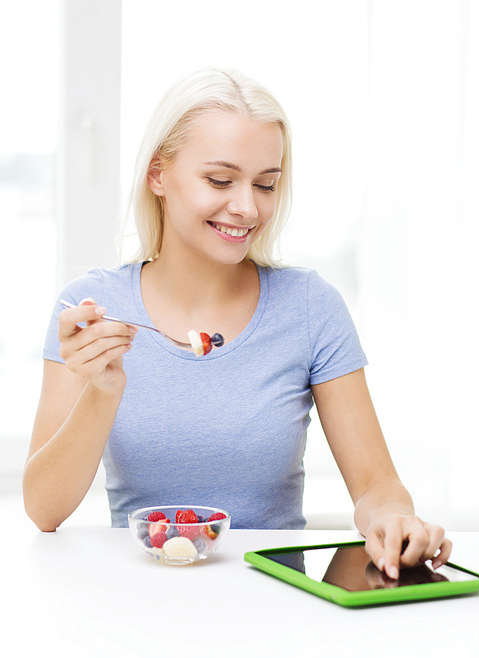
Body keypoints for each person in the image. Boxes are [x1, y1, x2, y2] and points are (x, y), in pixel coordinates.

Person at [23, 67, 451, 580]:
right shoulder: (94, 309)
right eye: (220, 180)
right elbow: (44, 510)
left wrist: (394, 520)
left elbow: (378, 486)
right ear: (158, 174)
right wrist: (103, 390)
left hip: (275, 603)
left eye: (265, 184)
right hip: (135, 606)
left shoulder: (311, 307)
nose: (247, 207)